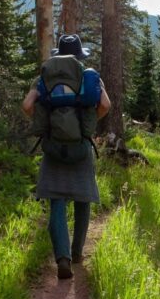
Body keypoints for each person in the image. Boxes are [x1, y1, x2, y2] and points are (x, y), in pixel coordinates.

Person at [22, 34, 111, 280]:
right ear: (79, 56)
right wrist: (88, 126)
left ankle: (63, 258)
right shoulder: (89, 77)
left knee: (57, 202)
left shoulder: (43, 78)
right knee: (83, 199)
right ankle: (78, 252)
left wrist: (49, 122)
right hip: (81, 147)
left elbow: (28, 106)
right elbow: (105, 104)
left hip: (53, 148)